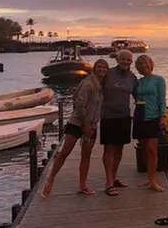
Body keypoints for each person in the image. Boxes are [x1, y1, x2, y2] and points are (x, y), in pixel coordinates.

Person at [42, 59, 109, 197]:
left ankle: (82, 185)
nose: (102, 70)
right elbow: (80, 105)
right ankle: (50, 180)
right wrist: (84, 125)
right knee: (65, 152)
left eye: (104, 67)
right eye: (99, 67)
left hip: (91, 125)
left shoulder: (102, 86)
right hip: (78, 123)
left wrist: (91, 125)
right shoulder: (88, 84)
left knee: (86, 155)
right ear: (94, 69)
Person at [101, 49, 138, 196]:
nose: (125, 62)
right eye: (123, 59)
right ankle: (109, 182)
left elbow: (138, 97)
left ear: (131, 61)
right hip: (108, 116)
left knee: (119, 149)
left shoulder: (132, 78)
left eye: (128, 60)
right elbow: (95, 89)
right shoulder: (107, 74)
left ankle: (114, 177)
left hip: (124, 116)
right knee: (109, 149)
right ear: (117, 59)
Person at [133, 54, 166, 192]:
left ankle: (153, 180)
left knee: (152, 150)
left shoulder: (159, 80)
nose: (144, 67)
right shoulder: (138, 82)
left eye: (147, 64)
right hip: (140, 116)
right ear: (138, 68)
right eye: (141, 65)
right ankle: (149, 176)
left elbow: (162, 99)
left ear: (151, 64)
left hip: (153, 117)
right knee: (144, 149)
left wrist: (162, 115)